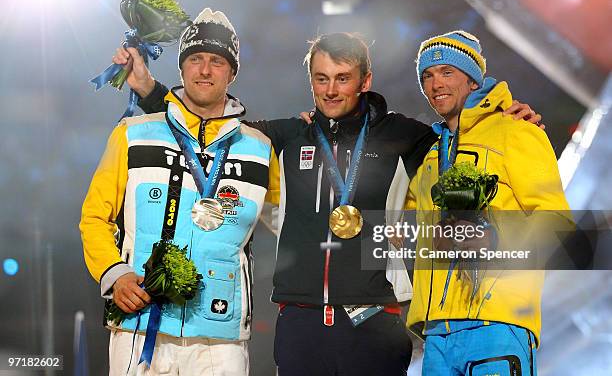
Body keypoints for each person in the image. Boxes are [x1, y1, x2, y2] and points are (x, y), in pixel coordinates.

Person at [122, 31, 541, 376]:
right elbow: (208, 127)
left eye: (342, 78)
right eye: (321, 79)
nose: (331, 89)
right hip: (300, 319)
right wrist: (148, 90)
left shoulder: (405, 136)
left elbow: (462, 137)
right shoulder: (286, 137)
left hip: (376, 317)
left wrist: (507, 115)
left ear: (365, 80)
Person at [80, 7, 279, 376]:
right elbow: (94, 217)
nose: (205, 70)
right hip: (139, 323)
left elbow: (292, 224)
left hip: (221, 336)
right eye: (195, 59)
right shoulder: (132, 134)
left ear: (232, 71)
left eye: (217, 61)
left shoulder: (261, 149)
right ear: (182, 67)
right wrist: (115, 273)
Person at [404, 30, 572, 375]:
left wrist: (495, 240)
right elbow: (400, 222)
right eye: (428, 75)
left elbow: (558, 221)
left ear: (472, 79)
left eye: (447, 72)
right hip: (437, 334)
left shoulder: (516, 131)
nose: (436, 84)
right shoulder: (430, 158)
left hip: (496, 325)